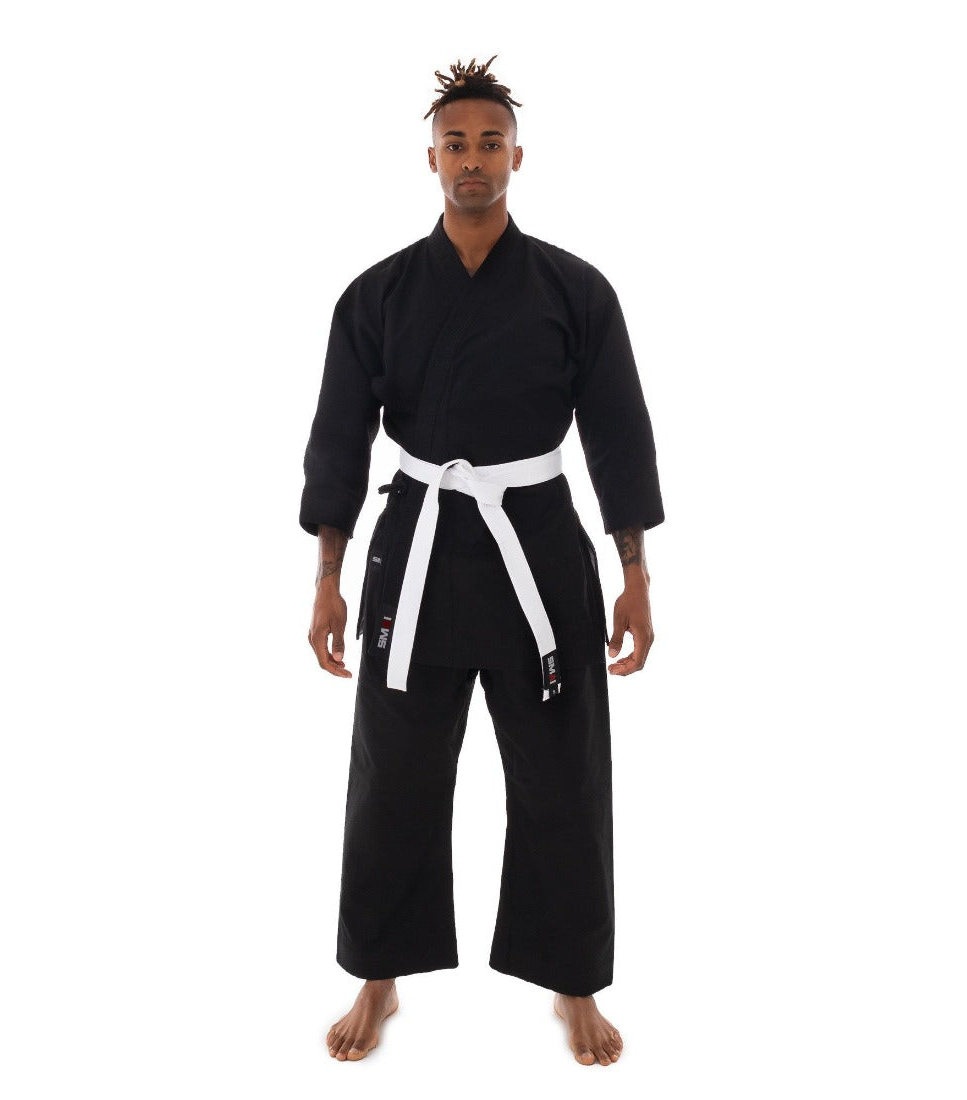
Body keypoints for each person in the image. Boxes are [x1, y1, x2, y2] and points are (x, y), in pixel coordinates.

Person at [300, 55, 664, 1067]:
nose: (472, 159)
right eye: (454, 143)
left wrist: (634, 574)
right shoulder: (376, 294)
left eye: (488, 142)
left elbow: (618, 436)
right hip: (414, 549)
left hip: (537, 549)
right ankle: (379, 973)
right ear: (430, 159)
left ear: (517, 156)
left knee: (562, 775)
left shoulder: (574, 290)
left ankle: (572, 982)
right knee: (393, 776)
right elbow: (337, 443)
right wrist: (327, 579)